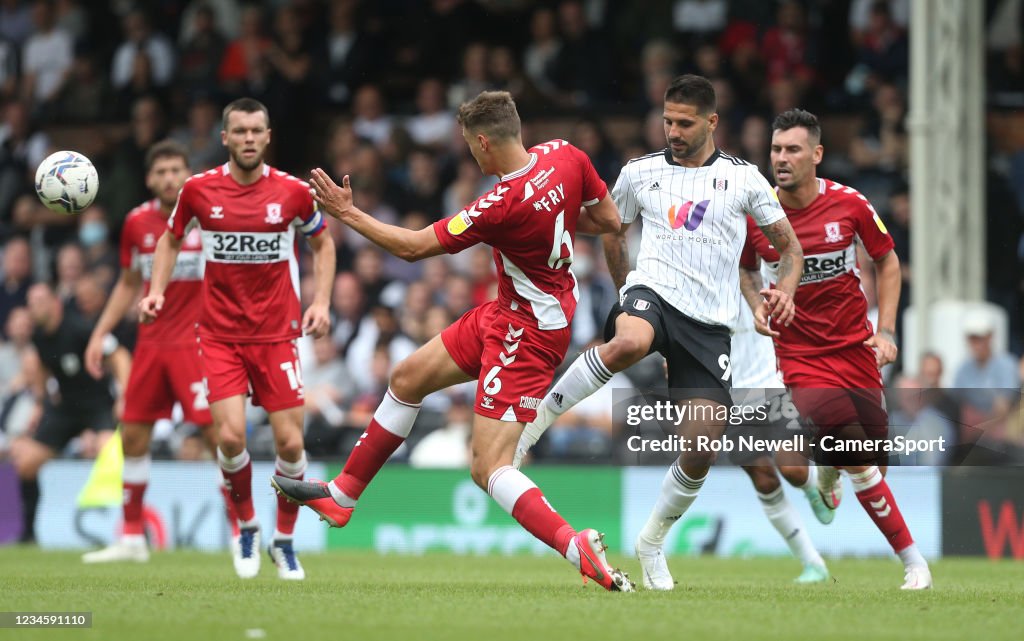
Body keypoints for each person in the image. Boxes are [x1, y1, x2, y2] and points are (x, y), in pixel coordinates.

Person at [271, 90, 634, 591]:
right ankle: (343, 493)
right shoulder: (566, 155)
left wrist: (348, 213)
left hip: (527, 333)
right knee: (407, 377)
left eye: (469, 145)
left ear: (484, 142)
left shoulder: (499, 204)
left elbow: (415, 247)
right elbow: (611, 221)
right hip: (505, 311)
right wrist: (556, 217)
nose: (470, 154)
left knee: (488, 467)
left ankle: (576, 547)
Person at [513, 74, 804, 591]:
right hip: (652, 294)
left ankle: (650, 541)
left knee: (700, 449)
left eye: (684, 122)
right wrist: (626, 291)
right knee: (628, 340)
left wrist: (785, 288)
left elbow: (789, 247)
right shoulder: (639, 173)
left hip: (711, 325)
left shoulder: (745, 180)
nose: (672, 129)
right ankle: (533, 425)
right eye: (667, 120)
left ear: (712, 122)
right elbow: (610, 226)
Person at [139, 98, 336, 581]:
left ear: (267, 137)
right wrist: (156, 292)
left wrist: (321, 302)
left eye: (256, 131)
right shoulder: (198, 190)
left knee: (290, 444)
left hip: (277, 335)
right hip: (221, 335)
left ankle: (284, 541)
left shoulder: (292, 193)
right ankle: (247, 525)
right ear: (225, 138)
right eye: (240, 131)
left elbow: (323, 242)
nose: (248, 138)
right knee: (229, 436)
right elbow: (169, 239)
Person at [739, 108, 931, 589]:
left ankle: (827, 475)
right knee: (853, 450)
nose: (781, 158)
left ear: (817, 155)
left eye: (793, 149)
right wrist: (755, 307)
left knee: (871, 455)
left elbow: (887, 262)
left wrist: (885, 331)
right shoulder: (757, 214)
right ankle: (914, 563)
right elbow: (745, 270)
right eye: (776, 150)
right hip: (800, 354)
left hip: (854, 347)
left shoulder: (851, 204)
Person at [79, 140, 237, 564]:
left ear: (188, 174)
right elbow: (130, 284)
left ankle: (243, 531)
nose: (169, 177)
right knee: (132, 434)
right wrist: (101, 333)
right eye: (161, 171)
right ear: (150, 179)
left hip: (199, 343)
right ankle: (132, 537)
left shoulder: (211, 218)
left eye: (175, 169)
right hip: (151, 344)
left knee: (218, 436)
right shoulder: (136, 223)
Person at [9, 282, 131, 543]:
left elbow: (120, 357)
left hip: (98, 405)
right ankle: (28, 534)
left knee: (110, 452)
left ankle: (130, 530)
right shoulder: (39, 336)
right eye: (30, 303)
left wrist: (125, 395)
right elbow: (43, 368)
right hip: (65, 408)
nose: (33, 308)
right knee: (26, 464)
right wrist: (41, 403)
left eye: (39, 301)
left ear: (55, 303)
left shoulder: (81, 328)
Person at [729, 298, 831, 583]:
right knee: (764, 480)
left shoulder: (758, 266)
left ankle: (815, 486)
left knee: (793, 469)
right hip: (731, 395)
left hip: (773, 385)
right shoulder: (700, 275)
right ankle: (814, 565)